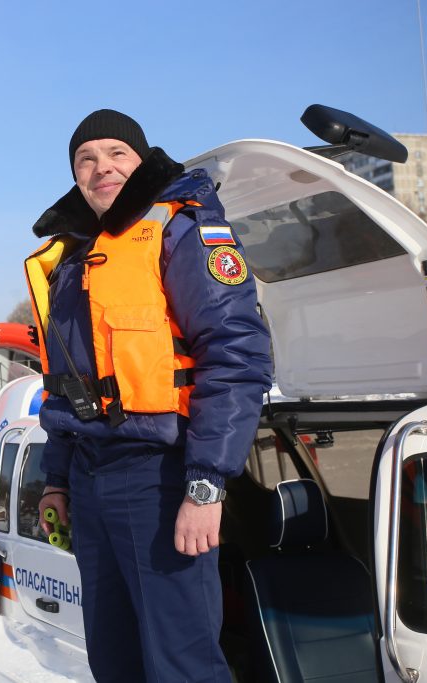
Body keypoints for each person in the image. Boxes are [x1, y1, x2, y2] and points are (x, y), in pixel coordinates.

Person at [24, 109, 273, 682]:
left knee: (180, 662)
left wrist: (206, 484)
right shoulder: (72, 257)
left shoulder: (180, 229)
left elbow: (236, 356)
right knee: (113, 657)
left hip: (159, 478)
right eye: (85, 159)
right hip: (88, 481)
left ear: (140, 160)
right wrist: (57, 480)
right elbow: (66, 385)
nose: (100, 167)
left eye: (116, 153)